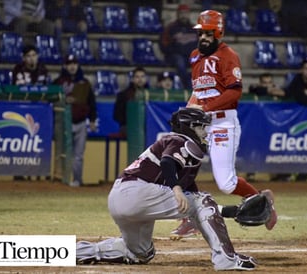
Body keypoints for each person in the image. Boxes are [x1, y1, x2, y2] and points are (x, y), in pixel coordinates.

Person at [75, 108, 257, 271]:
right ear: (189, 127)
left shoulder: (179, 145)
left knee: (140, 253)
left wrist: (231, 211)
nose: (206, 132)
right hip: (137, 192)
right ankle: (226, 259)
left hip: (122, 196)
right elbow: (168, 162)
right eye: (202, 127)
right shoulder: (181, 140)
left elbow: (195, 203)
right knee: (201, 200)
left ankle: (72, 251)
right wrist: (176, 189)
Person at [171, 10, 278, 239]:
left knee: (226, 184)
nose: (203, 38)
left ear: (218, 33)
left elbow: (235, 92)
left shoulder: (228, 55)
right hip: (201, 125)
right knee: (181, 167)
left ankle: (262, 201)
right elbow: (198, 91)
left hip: (222, 125)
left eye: (208, 34)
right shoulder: (195, 56)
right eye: (201, 33)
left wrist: (205, 109)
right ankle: (189, 218)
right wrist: (189, 109)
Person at [53, 54, 97, 187]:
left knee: (78, 155)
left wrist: (92, 120)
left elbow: (91, 102)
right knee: (63, 153)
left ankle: (77, 180)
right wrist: (63, 100)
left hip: (81, 122)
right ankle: (62, 179)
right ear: (65, 66)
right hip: (63, 124)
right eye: (69, 64)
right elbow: (52, 100)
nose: (72, 66)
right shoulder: (58, 82)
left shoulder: (85, 83)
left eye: (74, 64)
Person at [12, 44, 50, 181]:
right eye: (28, 56)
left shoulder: (43, 70)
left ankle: (40, 173)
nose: (31, 59)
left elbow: (48, 91)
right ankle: (19, 173)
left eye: (34, 55)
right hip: (22, 112)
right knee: (21, 142)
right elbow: (15, 90)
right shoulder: (18, 69)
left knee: (39, 143)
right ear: (23, 58)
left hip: (40, 113)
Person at [159, 4, 198, 90]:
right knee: (180, 61)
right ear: (177, 14)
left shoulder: (194, 29)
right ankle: (187, 87)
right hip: (176, 56)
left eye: (185, 13)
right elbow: (163, 45)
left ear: (189, 14)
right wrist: (174, 50)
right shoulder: (171, 28)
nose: (183, 15)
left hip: (191, 56)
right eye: (181, 13)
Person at [112, 67, 148, 138]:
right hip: (128, 127)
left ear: (146, 79)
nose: (140, 79)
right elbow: (117, 115)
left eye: (142, 77)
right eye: (137, 77)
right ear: (132, 79)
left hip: (148, 127)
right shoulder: (123, 95)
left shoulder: (151, 94)